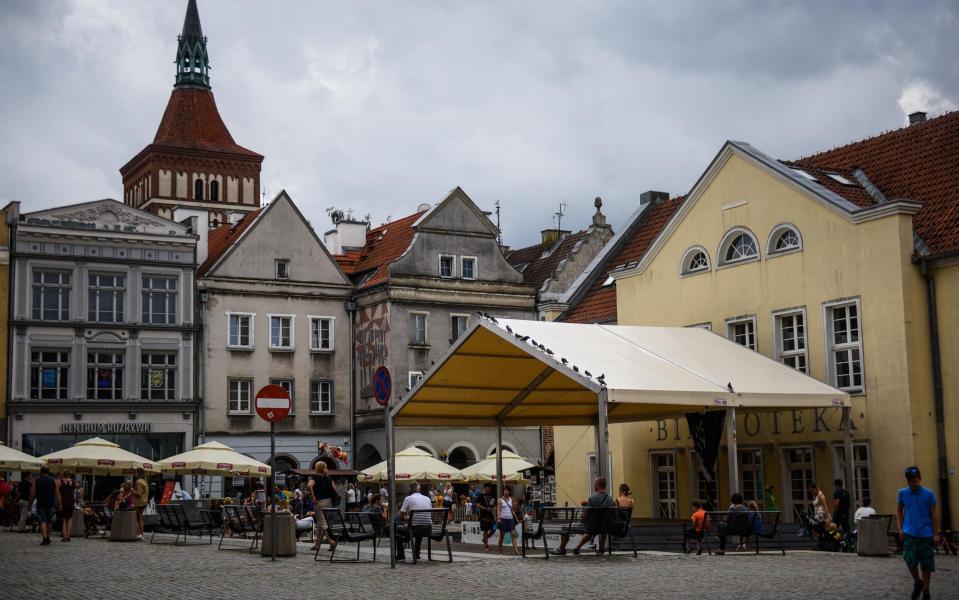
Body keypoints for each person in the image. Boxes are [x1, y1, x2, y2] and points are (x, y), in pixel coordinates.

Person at [898, 466, 939, 600]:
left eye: (914, 481)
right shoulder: (903, 493)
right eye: (910, 481)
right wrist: (900, 528)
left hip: (925, 533)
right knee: (909, 560)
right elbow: (899, 511)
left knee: (926, 564)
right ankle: (917, 582)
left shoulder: (929, 494)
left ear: (920, 479)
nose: (912, 484)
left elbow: (933, 515)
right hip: (909, 532)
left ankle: (926, 590)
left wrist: (935, 533)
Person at [555, 477, 615, 555]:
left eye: (594, 484)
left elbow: (584, 519)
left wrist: (584, 508)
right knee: (596, 528)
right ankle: (600, 549)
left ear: (596, 486)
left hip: (590, 526)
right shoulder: (610, 499)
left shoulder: (592, 498)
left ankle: (561, 549)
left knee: (564, 527)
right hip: (603, 526)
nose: (594, 486)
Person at [307, 461, 338, 552]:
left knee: (322, 523)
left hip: (320, 502)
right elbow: (334, 489)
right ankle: (317, 544)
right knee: (324, 523)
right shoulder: (328, 477)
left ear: (317, 468)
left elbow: (309, 486)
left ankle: (331, 541)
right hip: (329, 502)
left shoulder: (315, 477)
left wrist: (313, 497)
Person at [398, 481, 434, 561]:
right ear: (419, 489)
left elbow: (400, 516)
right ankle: (416, 554)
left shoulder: (408, 498)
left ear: (409, 490)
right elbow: (428, 515)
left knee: (397, 529)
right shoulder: (427, 498)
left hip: (414, 530)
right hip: (428, 529)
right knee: (419, 526)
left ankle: (401, 555)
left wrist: (407, 518)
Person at [33, 466, 58, 546]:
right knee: (49, 521)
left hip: (41, 503)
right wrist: (59, 503)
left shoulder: (37, 480)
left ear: (41, 472)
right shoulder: (53, 481)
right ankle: (48, 537)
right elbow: (57, 493)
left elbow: (32, 493)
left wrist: (30, 503)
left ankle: (44, 538)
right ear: (48, 471)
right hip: (51, 503)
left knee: (42, 521)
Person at [496, 486, 520, 555]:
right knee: (502, 536)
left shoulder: (510, 499)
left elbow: (512, 510)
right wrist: (498, 518)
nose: (506, 491)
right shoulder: (500, 500)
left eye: (507, 490)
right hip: (503, 520)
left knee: (513, 535)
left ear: (509, 492)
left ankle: (516, 550)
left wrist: (516, 518)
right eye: (504, 490)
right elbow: (498, 510)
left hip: (510, 519)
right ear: (503, 492)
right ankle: (500, 551)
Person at [476, 483, 496, 550]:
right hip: (483, 515)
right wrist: (485, 508)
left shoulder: (490, 495)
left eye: (490, 488)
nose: (489, 489)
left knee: (494, 528)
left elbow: (492, 504)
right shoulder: (480, 496)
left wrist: (492, 505)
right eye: (488, 488)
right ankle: (486, 545)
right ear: (484, 488)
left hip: (490, 514)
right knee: (485, 530)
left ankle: (485, 539)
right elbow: (478, 505)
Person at [58, 471, 77, 542]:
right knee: (69, 519)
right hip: (71, 502)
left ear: (63, 474)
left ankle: (65, 536)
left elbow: (58, 493)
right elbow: (73, 491)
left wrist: (59, 503)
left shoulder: (60, 481)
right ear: (70, 475)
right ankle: (68, 534)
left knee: (63, 519)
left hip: (63, 502)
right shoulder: (73, 481)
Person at [133, 468, 149, 540]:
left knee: (134, 518)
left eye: (135, 473)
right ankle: (142, 534)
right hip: (144, 501)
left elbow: (138, 493)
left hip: (138, 502)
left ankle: (138, 533)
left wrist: (132, 490)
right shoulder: (144, 480)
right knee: (140, 518)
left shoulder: (138, 482)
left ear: (138, 473)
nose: (134, 474)